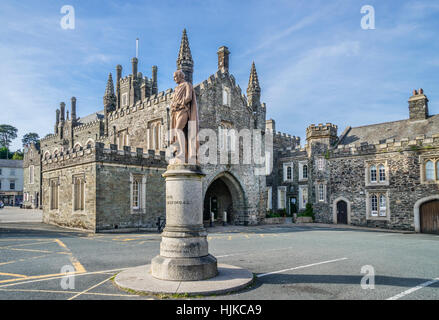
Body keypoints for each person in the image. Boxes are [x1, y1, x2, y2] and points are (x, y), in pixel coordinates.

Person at [169, 70, 199, 164]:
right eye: (173, 77)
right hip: (176, 112)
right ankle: (180, 151)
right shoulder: (176, 88)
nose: (174, 79)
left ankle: (183, 152)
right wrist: (173, 105)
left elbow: (188, 97)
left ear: (180, 76)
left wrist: (179, 103)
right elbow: (174, 100)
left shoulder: (187, 85)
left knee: (178, 129)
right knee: (177, 131)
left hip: (183, 110)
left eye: (175, 76)